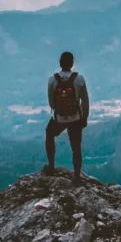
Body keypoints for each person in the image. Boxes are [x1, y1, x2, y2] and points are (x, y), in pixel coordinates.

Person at [42, 51, 90, 184]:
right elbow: (85, 101)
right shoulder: (79, 79)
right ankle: (77, 176)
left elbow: (51, 103)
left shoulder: (52, 80)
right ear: (72, 64)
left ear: (60, 63)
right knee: (76, 146)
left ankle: (51, 166)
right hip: (75, 118)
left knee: (49, 134)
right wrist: (84, 117)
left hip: (59, 118)